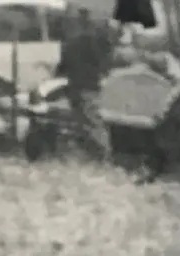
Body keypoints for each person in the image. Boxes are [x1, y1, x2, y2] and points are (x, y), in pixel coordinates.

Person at [55, 5, 117, 160]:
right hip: (90, 85)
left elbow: (62, 68)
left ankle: (100, 153)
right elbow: (105, 63)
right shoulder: (96, 42)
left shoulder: (70, 44)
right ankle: (102, 154)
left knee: (84, 121)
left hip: (75, 86)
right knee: (93, 121)